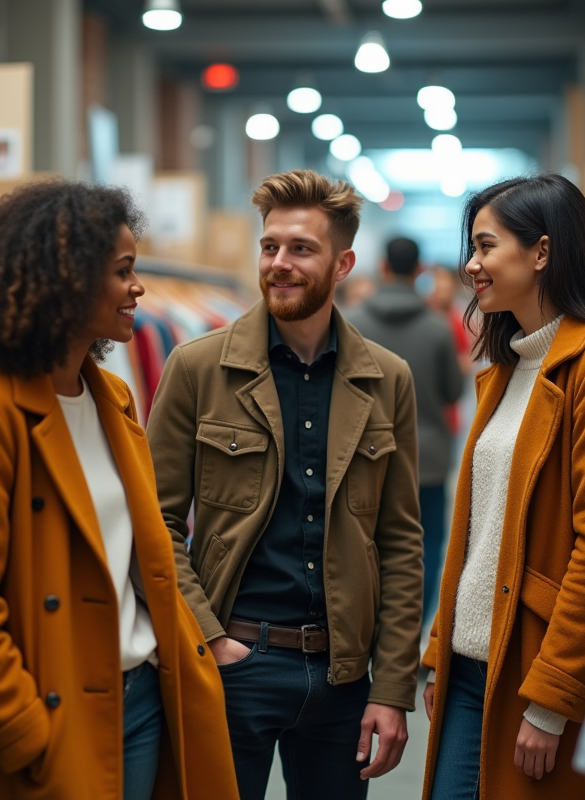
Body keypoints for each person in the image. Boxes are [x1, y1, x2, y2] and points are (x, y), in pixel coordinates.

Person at [0, 181, 238, 800]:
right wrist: (23, 729)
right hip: (55, 710)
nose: (139, 289)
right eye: (123, 272)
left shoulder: (113, 397)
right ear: (66, 278)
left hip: (147, 695)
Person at [147, 170, 423, 800]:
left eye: (301, 249)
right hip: (235, 662)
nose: (280, 263)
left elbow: (401, 542)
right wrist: (210, 640)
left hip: (342, 676)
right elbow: (156, 522)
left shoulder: (388, 379)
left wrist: (390, 687)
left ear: (343, 262)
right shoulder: (196, 367)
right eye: (270, 246)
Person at [421, 174, 585, 800]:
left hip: (529, 667)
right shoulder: (506, 367)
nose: (471, 265)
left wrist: (552, 699)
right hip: (471, 664)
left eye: (486, 247)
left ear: (541, 252)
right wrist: (441, 647)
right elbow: (477, 528)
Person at [346, 237, 463, 627]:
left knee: (368, 541)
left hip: (365, 452)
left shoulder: (353, 323)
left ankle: (372, 627)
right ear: (419, 272)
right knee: (425, 545)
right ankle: (409, 630)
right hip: (426, 458)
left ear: (382, 268)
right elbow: (452, 392)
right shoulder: (439, 327)